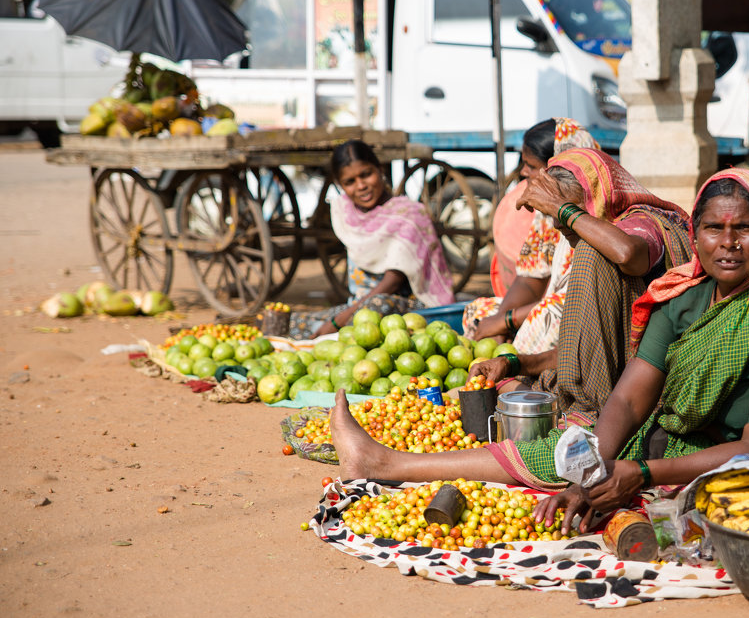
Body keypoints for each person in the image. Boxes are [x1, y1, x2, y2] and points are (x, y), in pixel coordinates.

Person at [326, 167, 749, 532]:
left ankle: (391, 463)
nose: (727, 243)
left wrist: (640, 473)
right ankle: (383, 462)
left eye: (745, 229)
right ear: (698, 231)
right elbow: (631, 399)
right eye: (712, 228)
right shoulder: (686, 294)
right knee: (575, 449)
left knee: (677, 505)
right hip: (714, 438)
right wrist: (590, 473)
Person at [469, 148, 694, 421]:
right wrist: (514, 363)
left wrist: (563, 210)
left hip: (646, 388)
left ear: (596, 197)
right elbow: (581, 352)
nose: (556, 223)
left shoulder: (641, 224)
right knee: (502, 390)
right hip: (612, 375)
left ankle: (590, 413)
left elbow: (627, 253)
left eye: (564, 212)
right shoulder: (599, 238)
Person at [290, 140, 454, 338]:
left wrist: (339, 321)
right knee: (294, 322)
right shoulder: (346, 213)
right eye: (350, 182)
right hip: (358, 306)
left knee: (372, 308)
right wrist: (343, 316)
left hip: (405, 308)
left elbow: (392, 283)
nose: (361, 186)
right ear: (340, 185)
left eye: (366, 174)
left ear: (380, 169)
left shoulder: (408, 215)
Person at [462, 118, 600, 350]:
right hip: (541, 306)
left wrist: (507, 320)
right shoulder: (546, 210)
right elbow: (530, 280)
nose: (523, 172)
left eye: (532, 166)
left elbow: (575, 300)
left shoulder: (599, 209)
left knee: (548, 318)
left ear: (561, 168)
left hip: (581, 315)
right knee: (477, 311)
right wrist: (500, 322)